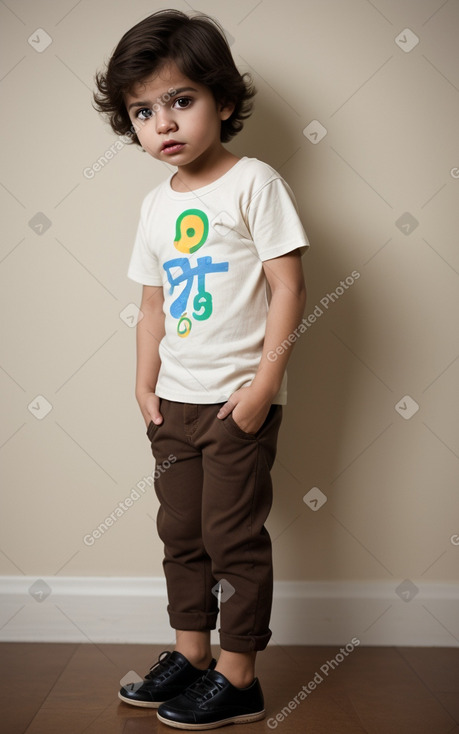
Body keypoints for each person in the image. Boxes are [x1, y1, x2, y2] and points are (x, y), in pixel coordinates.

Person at [94, 8, 309, 730]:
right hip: (174, 406)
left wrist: (263, 386)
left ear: (220, 98)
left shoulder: (254, 183)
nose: (164, 124)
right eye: (143, 111)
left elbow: (288, 286)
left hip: (234, 403)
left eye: (180, 100)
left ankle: (239, 674)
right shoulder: (156, 208)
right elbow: (150, 308)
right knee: (179, 533)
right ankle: (189, 655)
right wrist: (142, 383)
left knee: (231, 538)